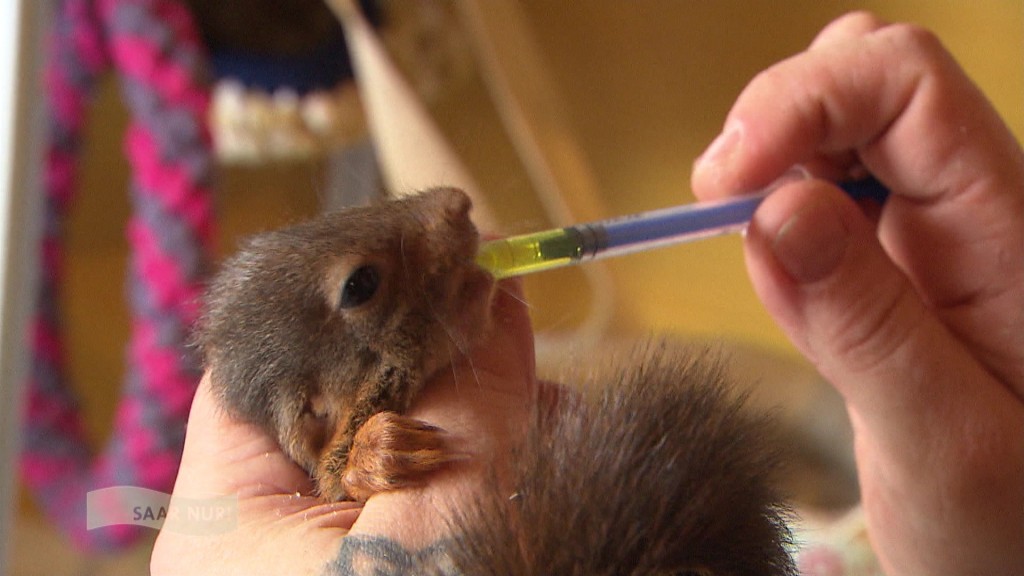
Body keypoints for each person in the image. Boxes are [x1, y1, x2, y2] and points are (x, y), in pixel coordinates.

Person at [151, 11, 1024, 576]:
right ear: (316, 414)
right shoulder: (339, 448)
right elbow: (345, 476)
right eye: (366, 287)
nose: (448, 209)